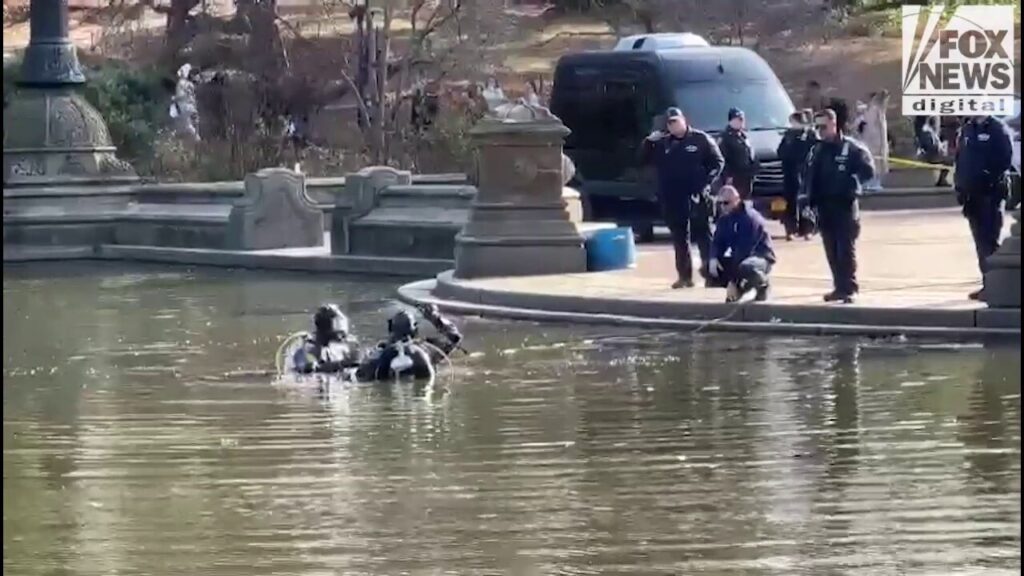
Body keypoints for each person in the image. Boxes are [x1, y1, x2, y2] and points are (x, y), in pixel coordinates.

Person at [640, 106, 725, 288]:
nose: (673, 126)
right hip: (673, 197)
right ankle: (685, 277)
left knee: (704, 237)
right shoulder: (662, 143)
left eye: (676, 122)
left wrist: (705, 182)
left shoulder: (700, 139)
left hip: (697, 195)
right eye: (669, 123)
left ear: (684, 120)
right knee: (680, 238)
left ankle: (712, 276)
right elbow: (643, 160)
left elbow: (718, 162)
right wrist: (648, 142)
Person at [804, 108, 876, 304]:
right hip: (825, 207)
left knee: (845, 249)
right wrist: (809, 201)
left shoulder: (851, 148)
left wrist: (853, 182)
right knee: (831, 250)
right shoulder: (818, 150)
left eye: (824, 126)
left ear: (834, 124)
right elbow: (812, 178)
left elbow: (868, 170)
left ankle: (849, 288)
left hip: (844, 206)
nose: (820, 131)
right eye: (817, 127)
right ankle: (838, 286)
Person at [954, 114, 1014, 300]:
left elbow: (1005, 158)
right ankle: (988, 284)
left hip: (990, 194)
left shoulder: (997, 129)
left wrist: (987, 177)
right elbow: (960, 159)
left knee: (989, 239)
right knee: (980, 242)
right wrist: (959, 185)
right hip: (971, 195)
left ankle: (998, 286)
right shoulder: (968, 128)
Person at [354, 304, 464, 381]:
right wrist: (436, 318)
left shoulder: (376, 353)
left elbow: (360, 375)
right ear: (415, 330)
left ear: (391, 328)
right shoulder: (427, 349)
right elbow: (454, 339)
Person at [707, 185, 776, 303]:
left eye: (726, 203)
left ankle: (762, 286)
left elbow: (744, 250)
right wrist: (713, 258)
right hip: (740, 256)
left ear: (736, 200)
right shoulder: (725, 219)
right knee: (709, 268)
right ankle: (740, 288)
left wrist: (733, 281)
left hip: (759, 257)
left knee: (747, 267)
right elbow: (718, 242)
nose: (723, 207)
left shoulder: (749, 218)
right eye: (720, 204)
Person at [777, 110, 819, 240]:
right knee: (790, 202)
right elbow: (780, 151)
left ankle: (807, 229)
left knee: (805, 202)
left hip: (806, 173)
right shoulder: (788, 136)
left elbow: (816, 150)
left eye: (794, 121)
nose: (792, 124)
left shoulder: (810, 134)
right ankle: (791, 230)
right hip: (790, 173)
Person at [292, 304, 362, 374]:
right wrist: (343, 364)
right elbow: (308, 368)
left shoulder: (342, 348)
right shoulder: (306, 350)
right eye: (339, 333)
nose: (342, 336)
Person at [719, 107, 758, 200]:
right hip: (735, 177)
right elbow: (722, 158)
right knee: (735, 201)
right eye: (738, 119)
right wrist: (728, 176)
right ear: (731, 121)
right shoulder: (726, 137)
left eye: (742, 119)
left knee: (746, 200)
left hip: (747, 176)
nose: (741, 121)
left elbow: (750, 154)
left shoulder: (743, 136)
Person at [859, 90, 890, 191]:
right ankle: (871, 183)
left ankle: (875, 183)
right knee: (873, 163)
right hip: (873, 142)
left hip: (877, 142)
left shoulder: (878, 110)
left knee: (878, 164)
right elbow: (872, 128)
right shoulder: (874, 110)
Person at [916, 115, 951, 188]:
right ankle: (942, 180)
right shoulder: (926, 132)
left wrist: (941, 146)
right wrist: (939, 148)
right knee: (948, 161)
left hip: (931, 154)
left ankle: (942, 180)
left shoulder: (931, 132)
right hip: (927, 155)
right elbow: (929, 146)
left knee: (948, 159)